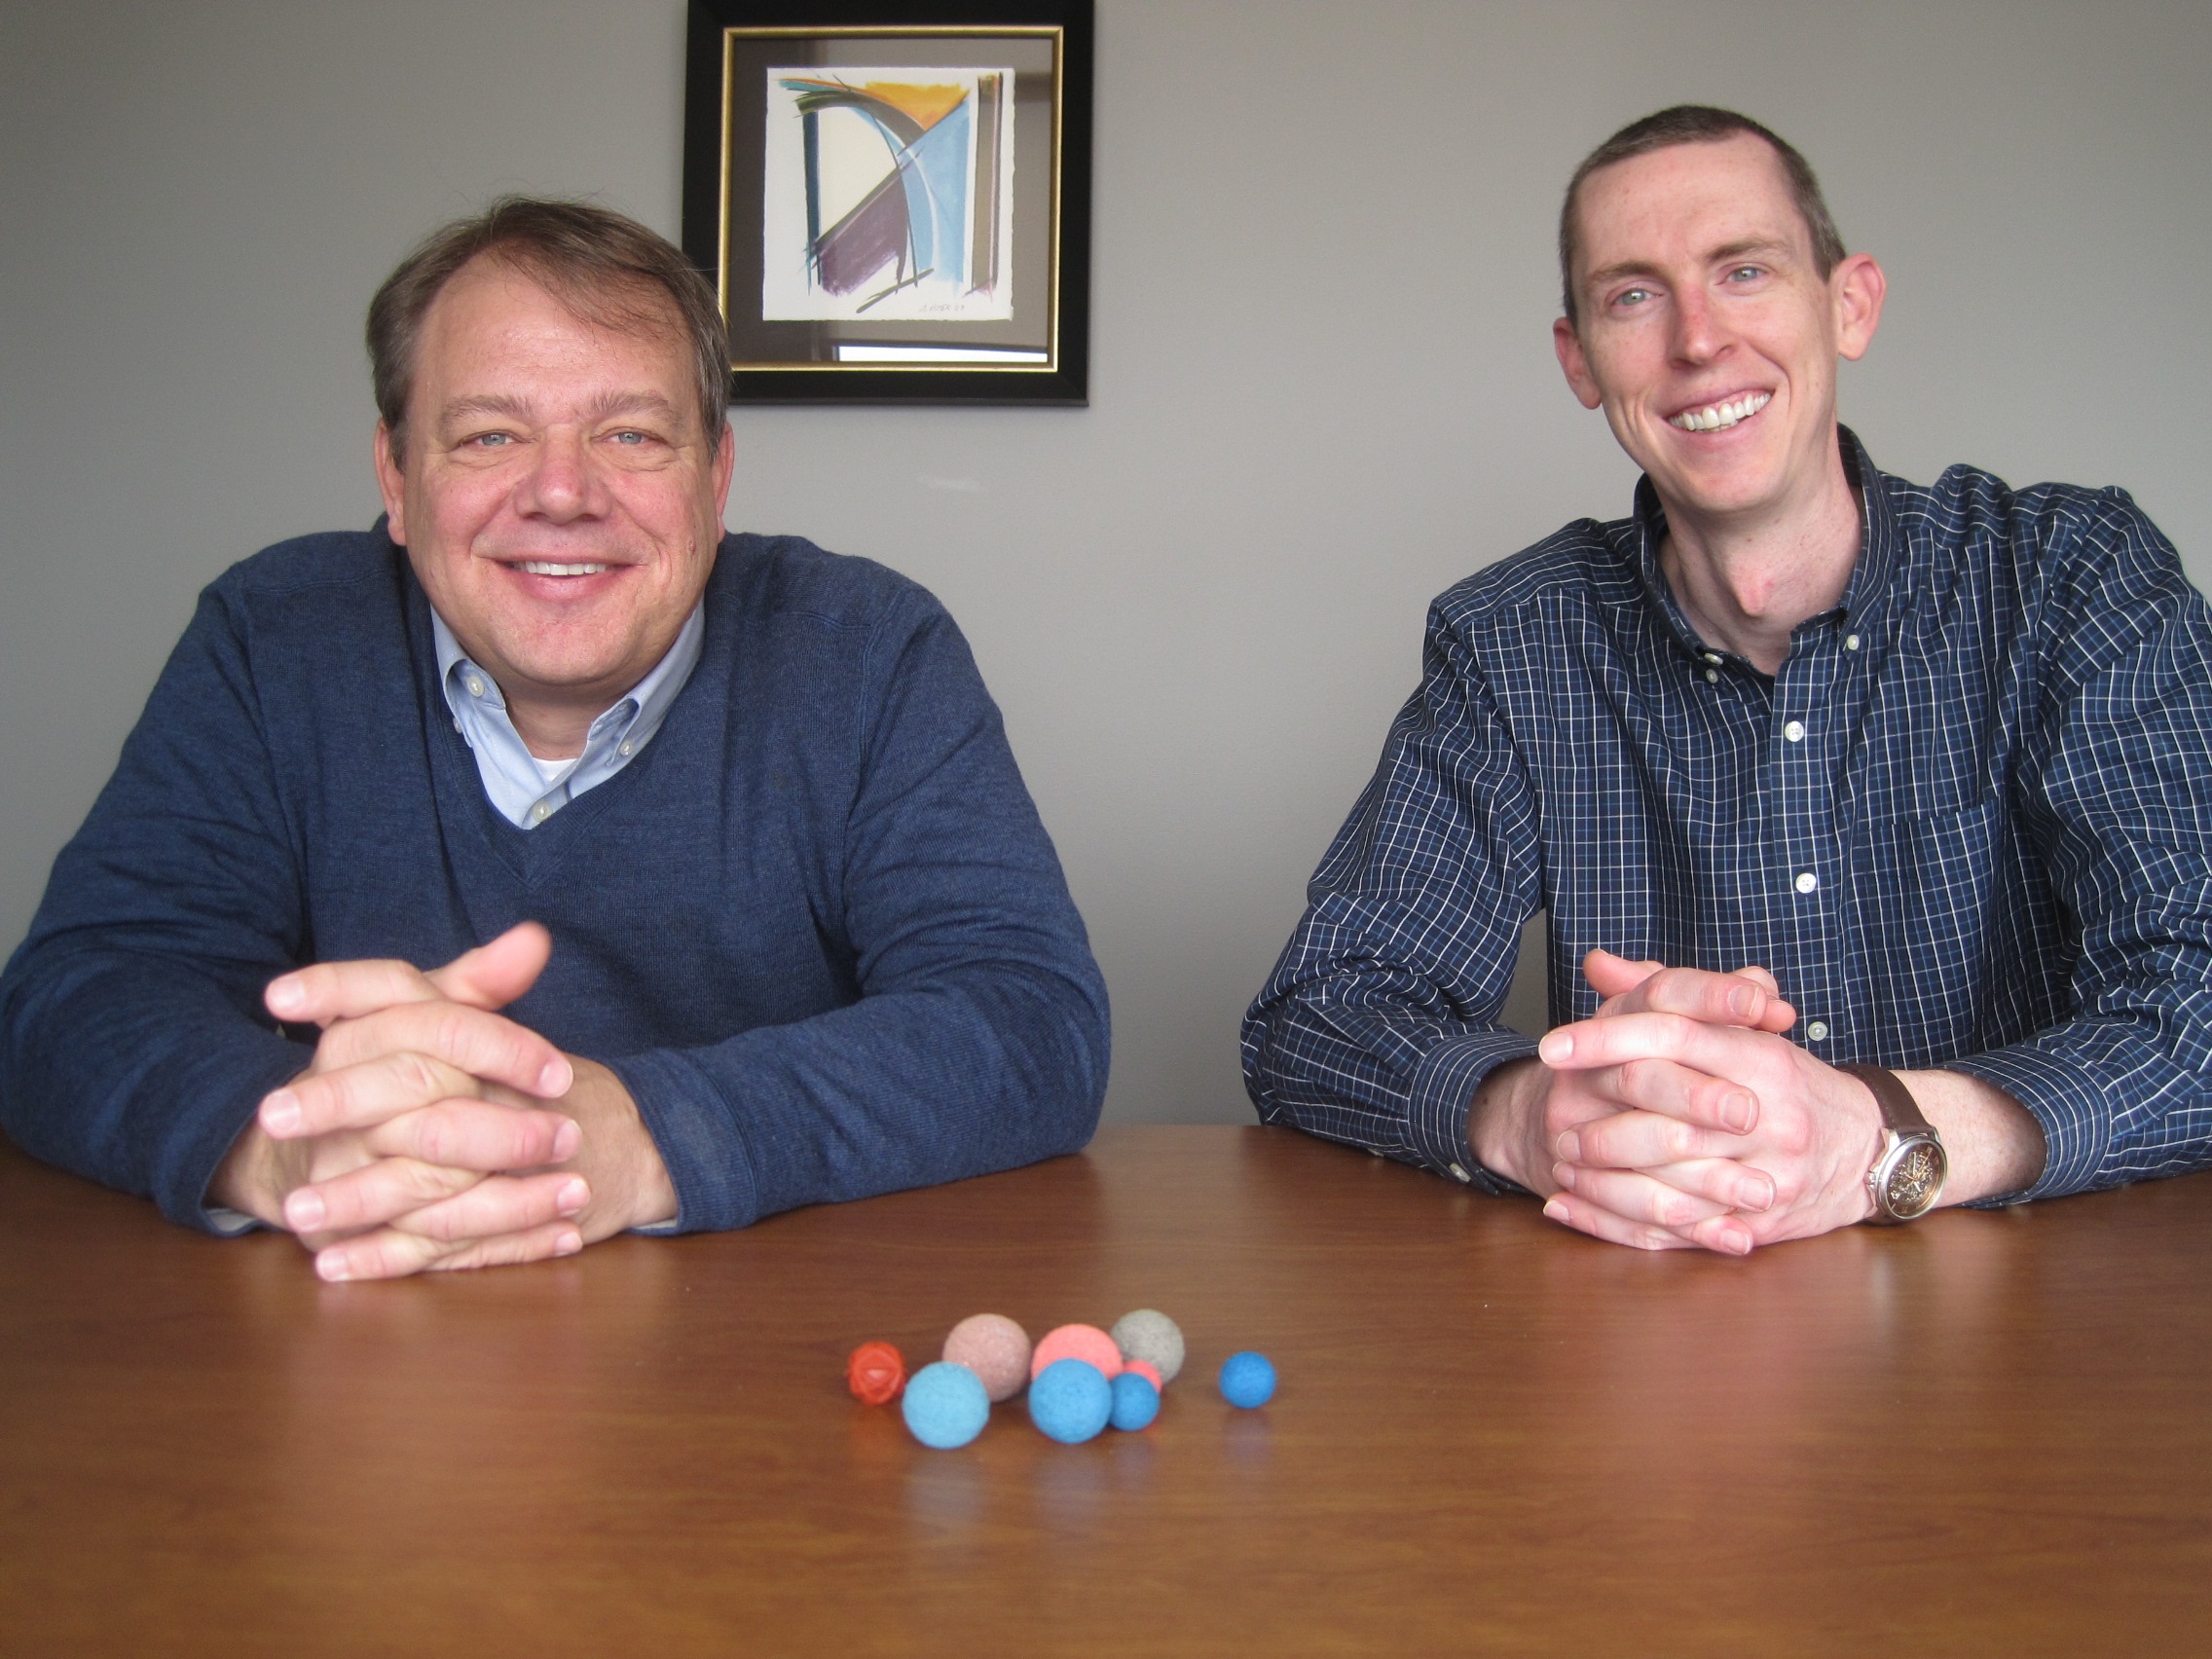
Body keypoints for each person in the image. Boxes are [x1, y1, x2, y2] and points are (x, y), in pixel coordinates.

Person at [0, 199, 1107, 1280]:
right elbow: (73, 998)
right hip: (359, 1340)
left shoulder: (868, 649)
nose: (563, 491)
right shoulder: (272, 637)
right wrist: (291, 1141)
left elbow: (1027, 1019)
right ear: (396, 476)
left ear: (714, 478)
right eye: (491, 434)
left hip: (762, 1373)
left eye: (629, 433)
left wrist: (630, 1136)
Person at [1243, 105, 2212, 1252]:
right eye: (1633, 295)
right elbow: (1319, 1013)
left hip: (2037, 1334)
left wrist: (1871, 1138)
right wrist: (1535, 1114)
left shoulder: (2073, 579)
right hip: (1658, 1342)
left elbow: (2195, 993)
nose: (1697, 340)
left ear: (1847, 304)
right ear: (1579, 360)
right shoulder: (1513, 639)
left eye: (1742, 271)